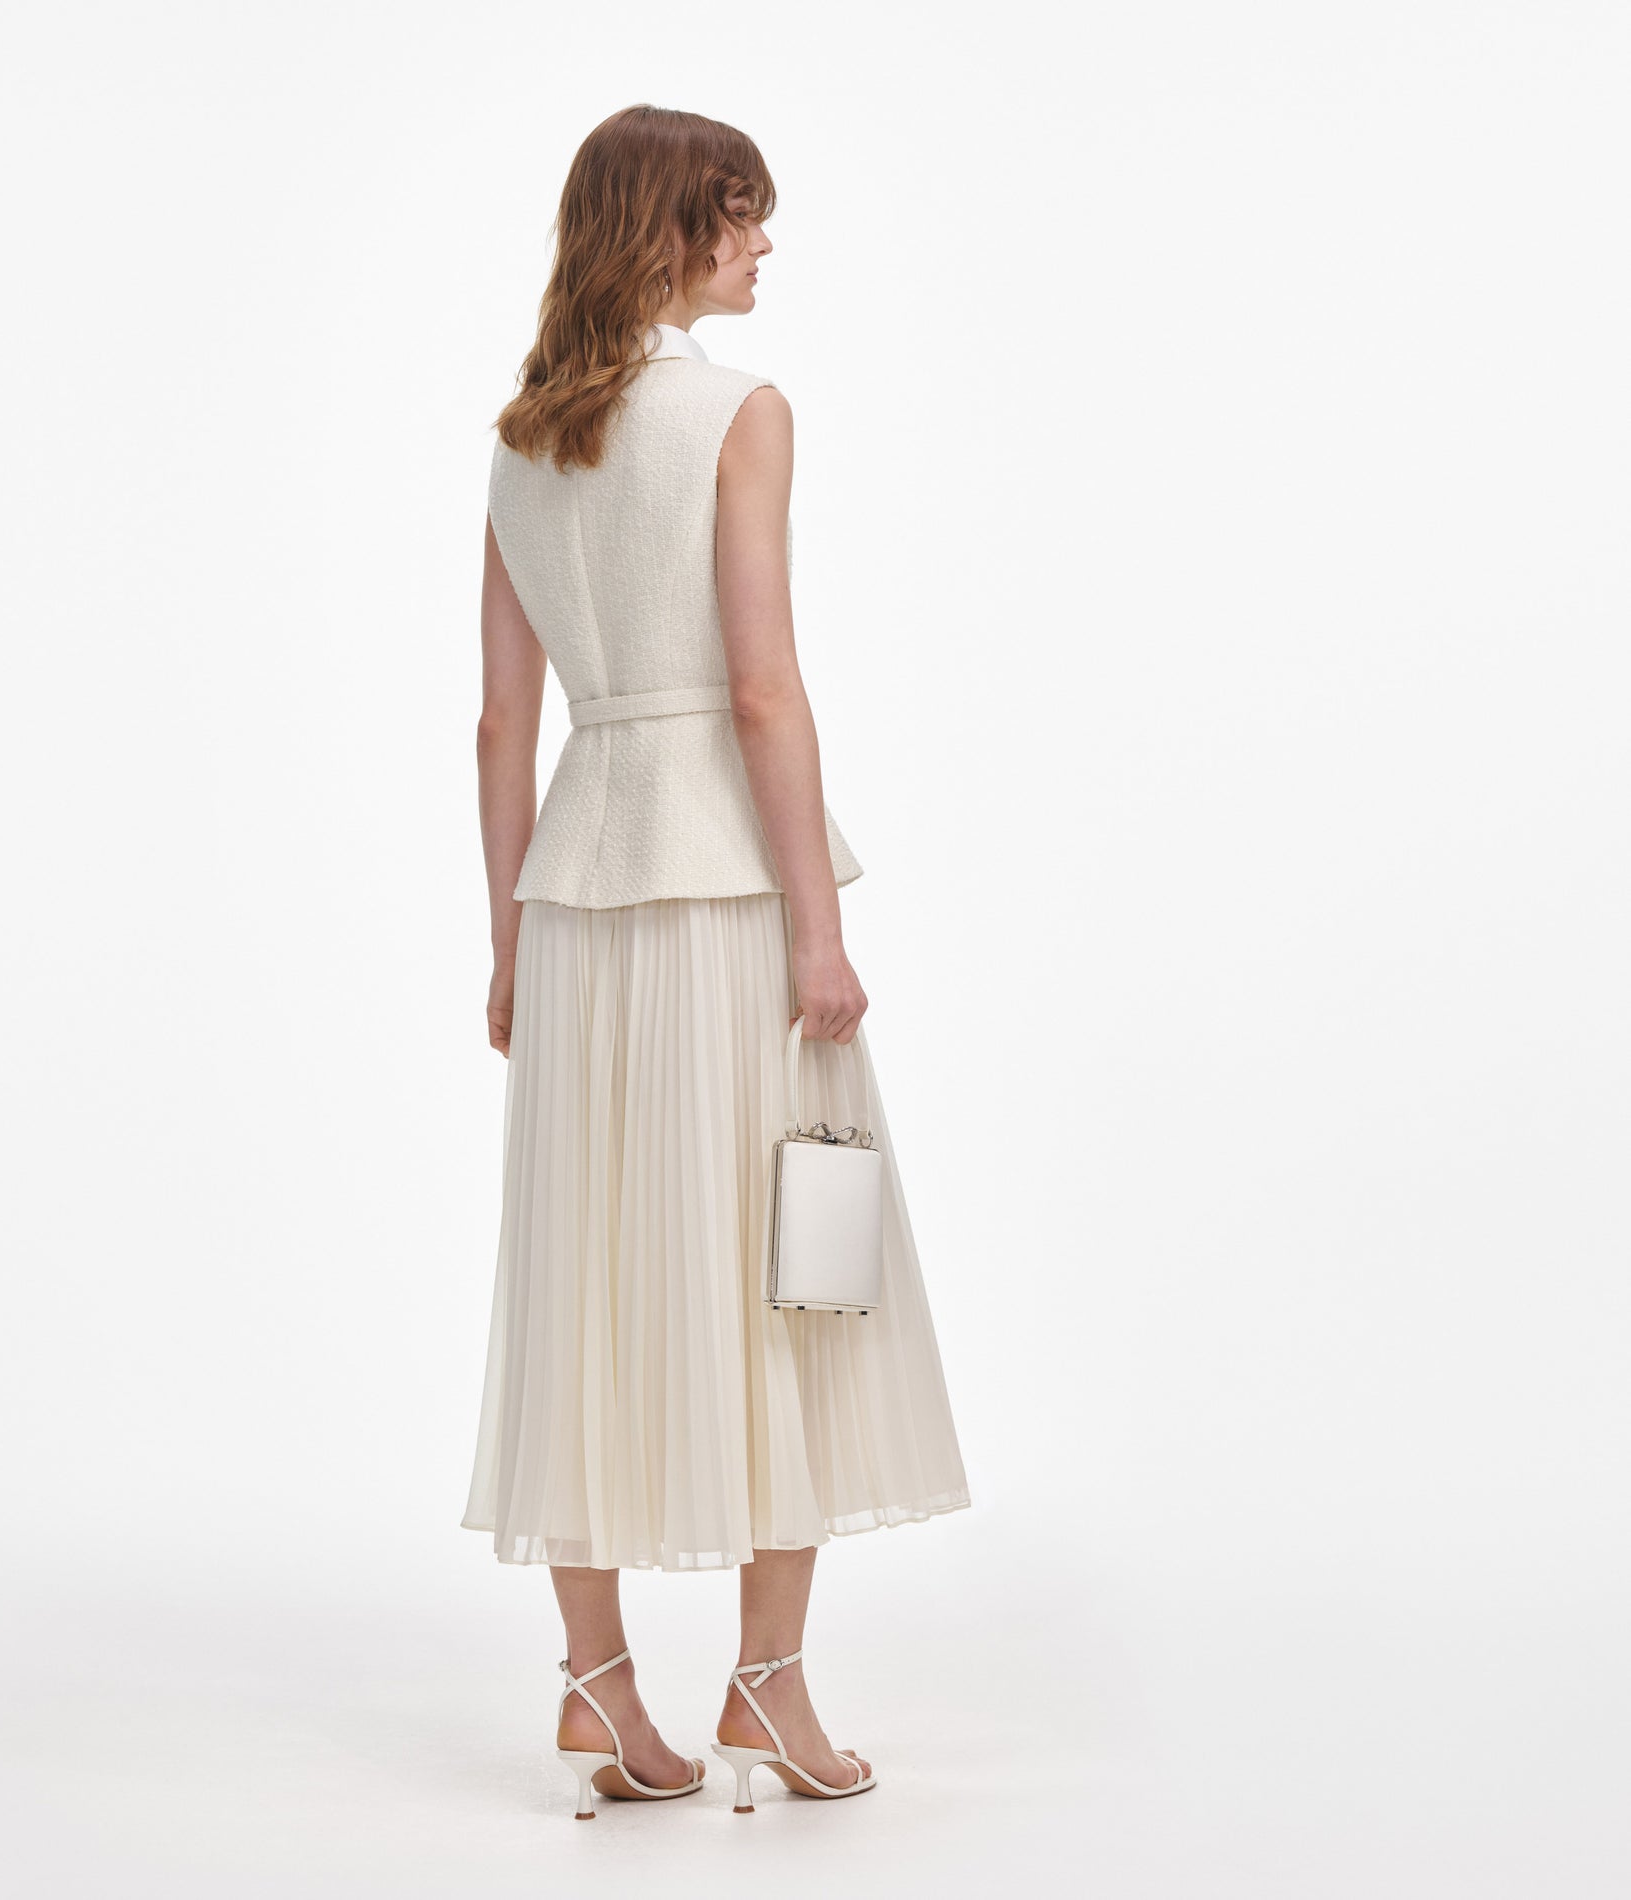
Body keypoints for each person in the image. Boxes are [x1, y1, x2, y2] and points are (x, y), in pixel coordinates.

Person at [464, 103, 969, 1820]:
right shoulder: (739, 414)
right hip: (728, 894)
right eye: (741, 218)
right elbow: (763, 689)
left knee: (587, 1277)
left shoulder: (525, 440)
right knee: (790, 1266)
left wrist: (505, 939)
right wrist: (821, 929)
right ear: (669, 233)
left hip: (578, 898)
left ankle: (598, 1690)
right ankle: (767, 1685)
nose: (764, 247)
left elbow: (500, 723)